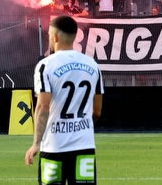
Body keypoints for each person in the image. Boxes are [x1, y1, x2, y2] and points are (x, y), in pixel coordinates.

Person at [25, 15, 105, 185]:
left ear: (54, 37)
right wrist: (80, 126)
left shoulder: (45, 65)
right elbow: (97, 111)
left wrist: (36, 143)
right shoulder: (93, 66)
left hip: (54, 146)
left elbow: (43, 106)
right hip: (84, 146)